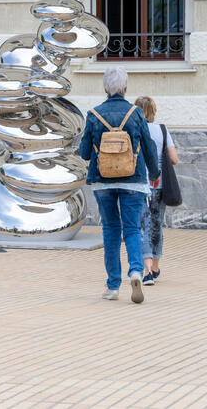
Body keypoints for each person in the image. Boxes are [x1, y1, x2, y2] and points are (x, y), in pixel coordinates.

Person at [79, 68, 160, 304]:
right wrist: (154, 174)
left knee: (111, 230)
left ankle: (112, 286)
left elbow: (84, 152)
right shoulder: (136, 114)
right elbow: (149, 147)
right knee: (132, 228)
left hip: (102, 181)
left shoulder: (94, 114)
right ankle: (136, 270)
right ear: (125, 88)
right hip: (133, 179)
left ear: (105, 88)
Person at [135, 96, 179, 286]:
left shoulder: (135, 130)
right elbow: (174, 159)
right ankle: (155, 267)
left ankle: (145, 271)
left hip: (139, 184)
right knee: (157, 225)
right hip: (159, 186)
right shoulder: (162, 129)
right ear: (153, 111)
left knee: (142, 226)